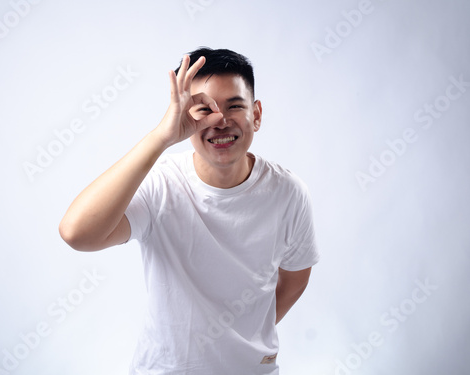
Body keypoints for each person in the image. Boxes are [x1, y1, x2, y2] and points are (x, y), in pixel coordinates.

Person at [59, 47, 319, 374]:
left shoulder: (288, 192)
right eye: (203, 109)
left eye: (234, 106)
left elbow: (294, 280)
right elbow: (77, 233)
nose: (220, 121)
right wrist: (162, 137)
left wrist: (240, 332)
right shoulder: (161, 184)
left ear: (256, 114)